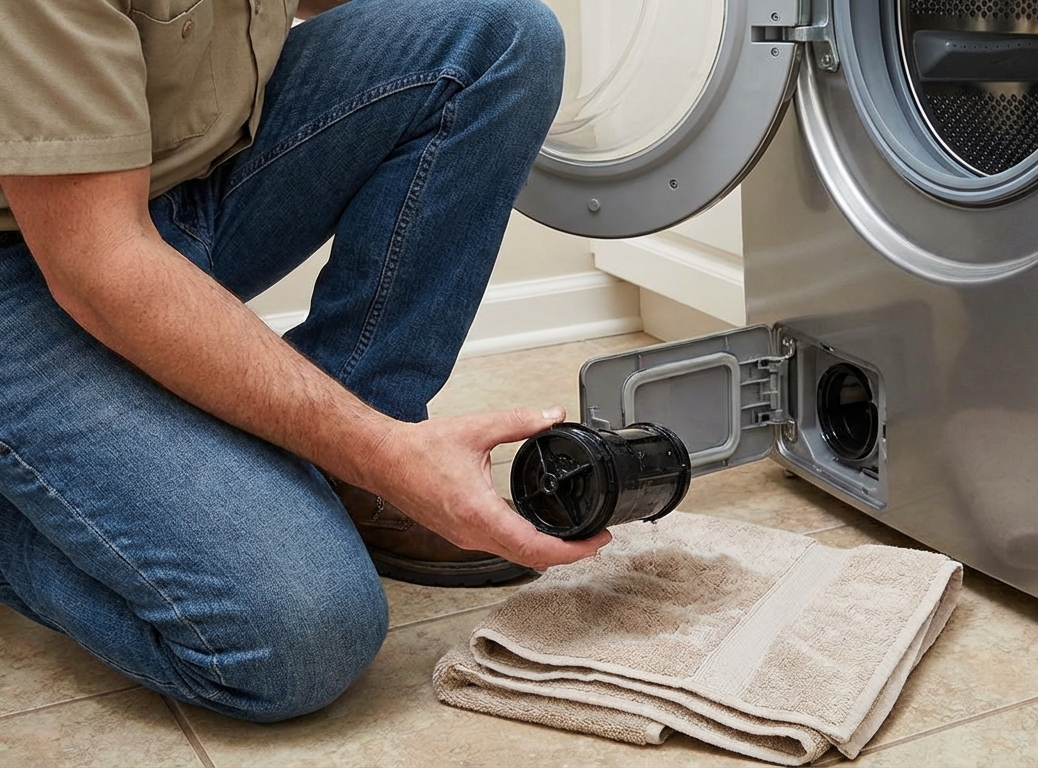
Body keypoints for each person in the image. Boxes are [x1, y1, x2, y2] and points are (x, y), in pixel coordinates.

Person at [0, 0, 608, 723]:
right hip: (45, 254)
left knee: (502, 36)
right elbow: (99, 263)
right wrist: (382, 452)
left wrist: (369, 445)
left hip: (180, 189)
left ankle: (341, 472)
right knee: (299, 638)